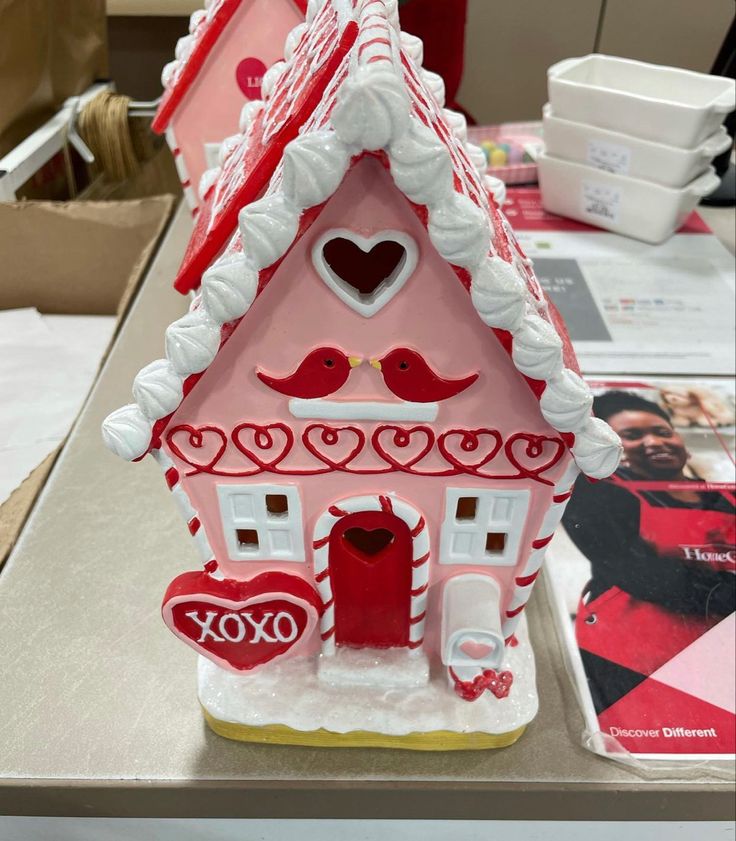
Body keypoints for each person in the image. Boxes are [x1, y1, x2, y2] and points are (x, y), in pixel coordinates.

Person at [562, 390, 735, 713]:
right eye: (632, 435)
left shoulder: (726, 499)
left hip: (721, 659)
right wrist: (722, 591)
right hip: (630, 662)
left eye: (662, 431)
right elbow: (634, 569)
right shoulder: (599, 497)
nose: (654, 442)